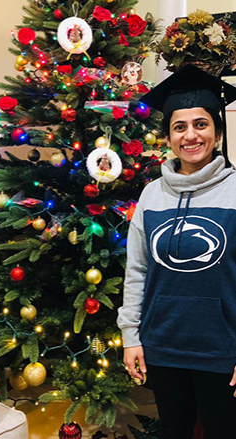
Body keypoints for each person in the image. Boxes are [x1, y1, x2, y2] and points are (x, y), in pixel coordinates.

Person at [117, 65, 236, 439]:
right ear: (168, 137)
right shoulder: (153, 194)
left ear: (217, 132)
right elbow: (137, 270)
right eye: (179, 127)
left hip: (222, 350)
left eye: (200, 124)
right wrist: (131, 336)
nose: (190, 135)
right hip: (163, 344)